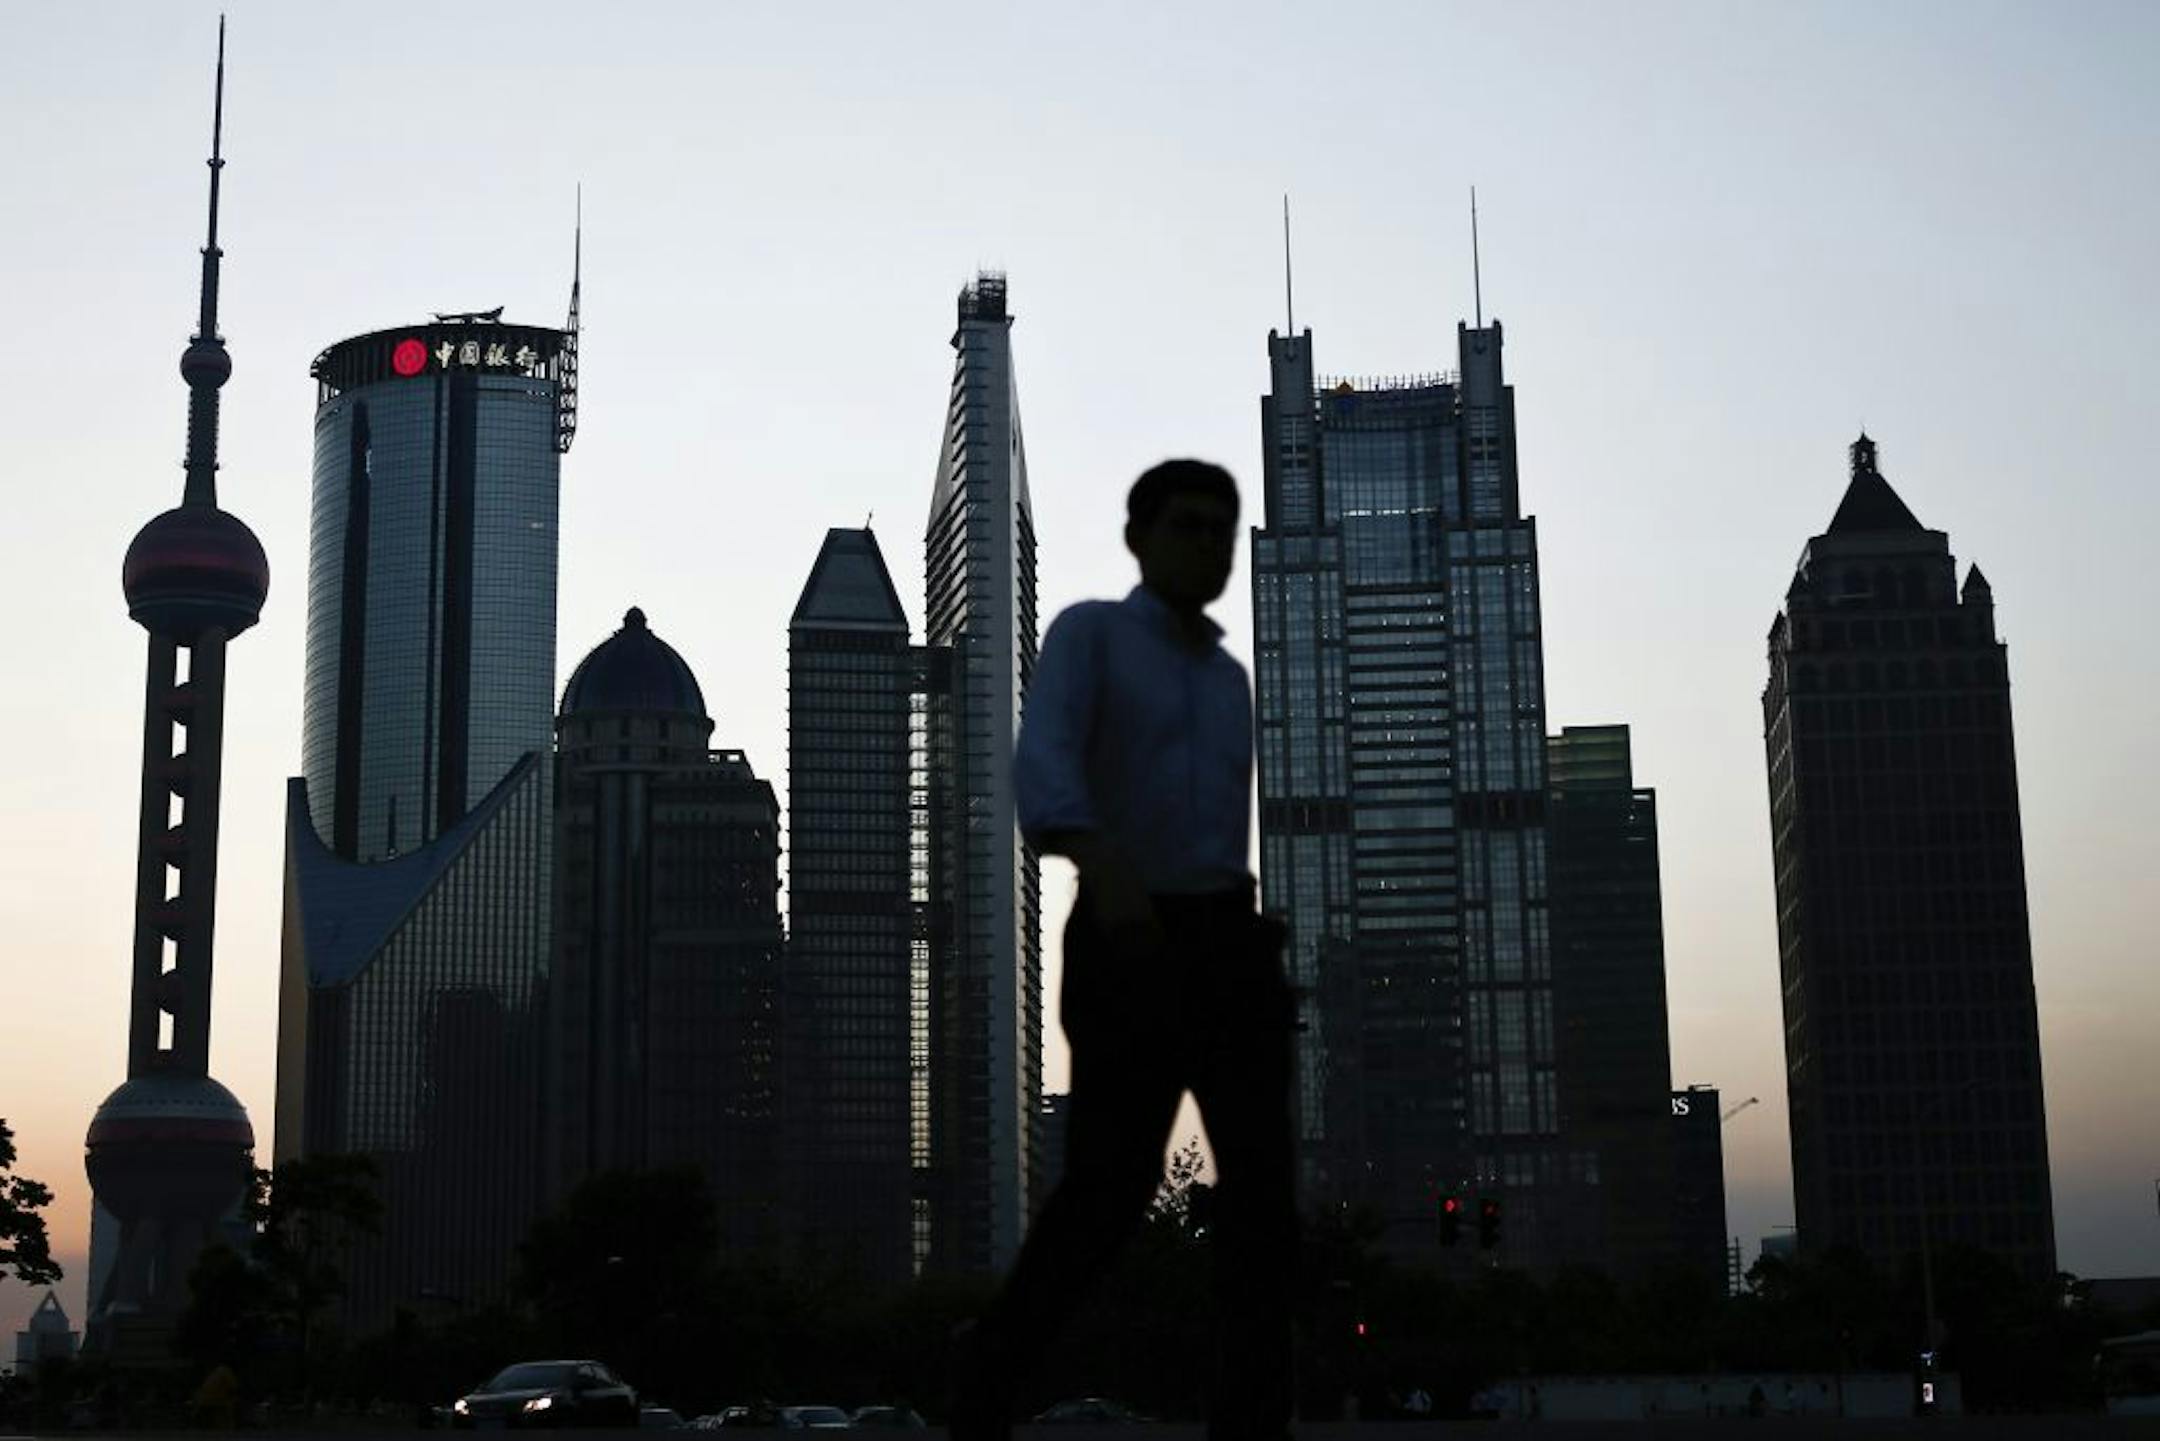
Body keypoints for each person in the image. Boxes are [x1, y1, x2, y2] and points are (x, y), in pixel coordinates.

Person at [949, 459, 1299, 1441]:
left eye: (1222, 529)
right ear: (1138, 538)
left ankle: (1253, 1419)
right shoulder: (1090, 634)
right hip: (1125, 929)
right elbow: (1043, 758)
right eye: (1187, 525)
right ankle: (991, 1369)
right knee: (1109, 1187)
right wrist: (1099, 862)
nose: (1208, 544)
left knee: (1264, 1194)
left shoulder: (1230, 681)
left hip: (1229, 940)